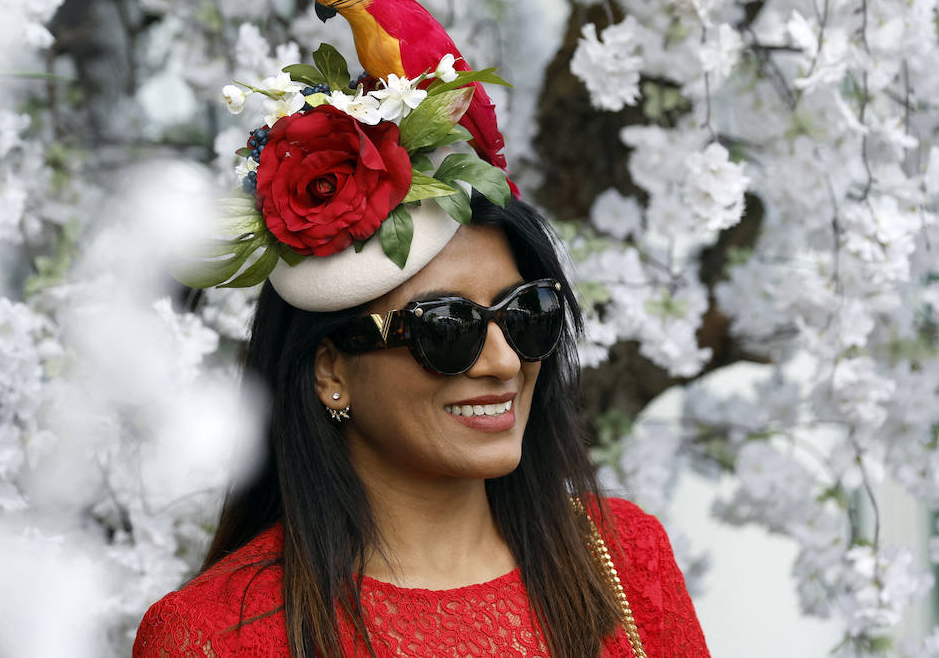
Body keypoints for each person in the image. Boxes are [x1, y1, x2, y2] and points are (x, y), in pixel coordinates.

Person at [134, 41, 710, 658]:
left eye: (527, 315)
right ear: (332, 370)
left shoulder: (622, 557)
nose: (504, 362)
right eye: (447, 328)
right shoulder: (218, 636)